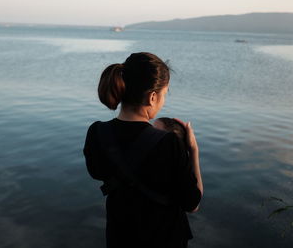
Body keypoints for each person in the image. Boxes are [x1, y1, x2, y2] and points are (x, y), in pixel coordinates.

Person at [83, 52, 203, 248]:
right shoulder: (169, 143)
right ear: (153, 97)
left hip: (119, 239)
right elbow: (192, 204)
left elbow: (97, 173)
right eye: (165, 93)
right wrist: (193, 152)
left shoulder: (97, 133)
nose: (164, 100)